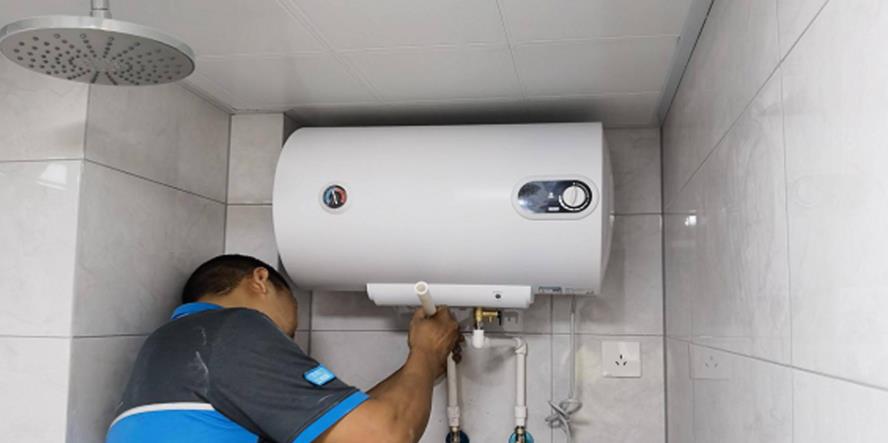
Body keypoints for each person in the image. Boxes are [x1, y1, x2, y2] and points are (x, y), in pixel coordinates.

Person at [106, 254, 461, 443]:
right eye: (287, 332)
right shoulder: (236, 327)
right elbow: (383, 437)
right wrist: (425, 353)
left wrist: (423, 364)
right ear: (261, 280)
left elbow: (342, 428)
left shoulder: (176, 344)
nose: (287, 339)